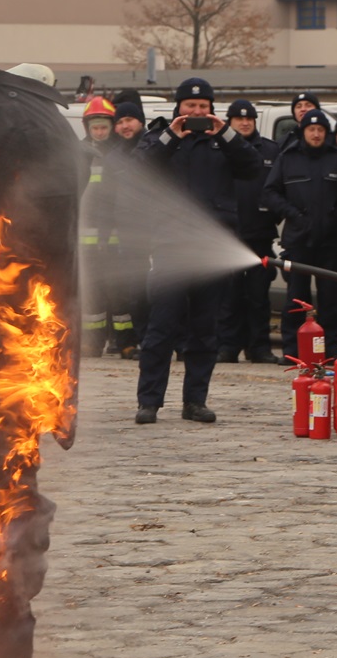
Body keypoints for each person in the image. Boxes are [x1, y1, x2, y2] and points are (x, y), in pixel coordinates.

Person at [133, 76, 260, 424]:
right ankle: (149, 402)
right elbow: (138, 166)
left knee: (205, 331)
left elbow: (252, 167)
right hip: (170, 247)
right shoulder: (161, 137)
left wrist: (226, 133)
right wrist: (172, 134)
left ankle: (195, 402)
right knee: (161, 328)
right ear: (178, 108)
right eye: (190, 106)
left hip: (210, 249)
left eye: (203, 107)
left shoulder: (224, 142)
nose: (197, 112)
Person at [266, 108, 337, 359]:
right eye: (311, 129)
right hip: (298, 239)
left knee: (331, 299)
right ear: (303, 132)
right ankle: (292, 348)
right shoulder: (287, 159)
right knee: (295, 298)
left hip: (331, 240)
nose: (316, 134)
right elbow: (270, 193)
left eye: (320, 130)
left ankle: (330, 348)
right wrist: (293, 214)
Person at [218, 99, 281, 365]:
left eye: (249, 119)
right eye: (238, 119)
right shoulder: (219, 149)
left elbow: (279, 187)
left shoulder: (270, 150)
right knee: (229, 297)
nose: (244, 123)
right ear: (229, 122)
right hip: (228, 236)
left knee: (258, 298)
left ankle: (259, 348)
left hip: (260, 235)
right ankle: (228, 347)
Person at [107, 94, 150, 356]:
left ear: (141, 122)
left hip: (154, 232)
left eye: (130, 120)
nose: (125, 126)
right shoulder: (112, 158)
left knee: (156, 291)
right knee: (135, 291)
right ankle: (141, 339)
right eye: (120, 121)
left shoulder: (152, 148)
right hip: (127, 235)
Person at [76, 96, 118, 355]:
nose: (100, 132)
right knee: (91, 293)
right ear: (87, 127)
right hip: (85, 237)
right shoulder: (78, 151)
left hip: (114, 236)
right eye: (95, 127)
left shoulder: (119, 153)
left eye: (104, 127)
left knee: (118, 293)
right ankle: (92, 341)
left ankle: (120, 341)